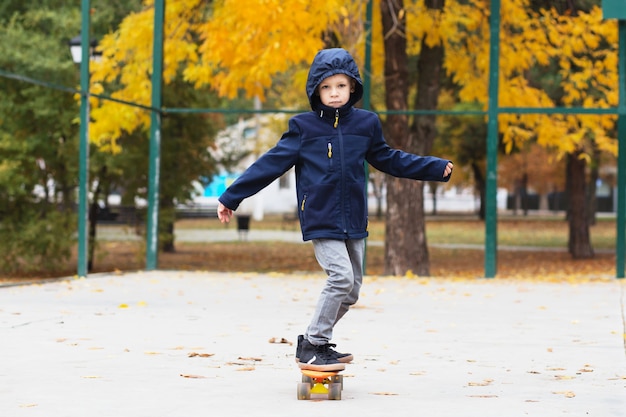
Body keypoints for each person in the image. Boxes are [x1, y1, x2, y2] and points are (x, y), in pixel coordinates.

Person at [217, 48, 453, 372]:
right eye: (326, 88)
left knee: (352, 290)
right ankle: (313, 343)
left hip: (353, 218)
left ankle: (317, 341)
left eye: (340, 86)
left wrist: (434, 167)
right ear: (317, 91)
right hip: (321, 217)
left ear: (352, 87)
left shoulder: (367, 124)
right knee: (340, 278)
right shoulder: (303, 128)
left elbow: (390, 159)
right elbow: (270, 164)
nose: (334, 93)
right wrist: (232, 197)